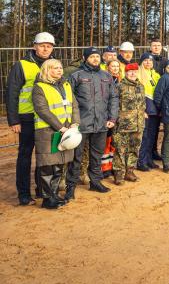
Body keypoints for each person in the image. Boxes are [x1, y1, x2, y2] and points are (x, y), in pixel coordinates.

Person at [6, 31, 55, 205]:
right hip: (26, 118)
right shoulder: (22, 65)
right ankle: (24, 194)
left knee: (44, 156)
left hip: (45, 119)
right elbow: (12, 93)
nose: (45, 49)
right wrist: (14, 120)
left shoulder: (52, 65)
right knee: (25, 155)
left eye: (49, 46)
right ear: (34, 46)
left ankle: (41, 189)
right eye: (42, 45)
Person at [64, 47, 118, 199]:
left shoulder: (106, 76)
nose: (95, 59)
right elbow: (69, 100)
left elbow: (114, 98)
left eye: (97, 56)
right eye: (92, 56)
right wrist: (73, 121)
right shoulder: (76, 76)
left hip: (101, 123)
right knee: (77, 157)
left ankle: (95, 182)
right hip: (81, 124)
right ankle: (71, 187)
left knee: (97, 155)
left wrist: (112, 118)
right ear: (85, 58)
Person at [31, 59, 80, 209]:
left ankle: (54, 194)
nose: (59, 70)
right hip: (48, 131)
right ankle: (46, 198)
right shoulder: (39, 87)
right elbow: (42, 110)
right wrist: (60, 127)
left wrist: (75, 122)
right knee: (47, 165)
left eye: (60, 68)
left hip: (66, 130)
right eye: (55, 68)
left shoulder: (65, 84)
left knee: (59, 163)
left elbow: (74, 105)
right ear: (47, 70)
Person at [113, 63, 146, 185]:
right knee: (120, 150)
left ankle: (130, 171)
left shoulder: (141, 87)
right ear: (126, 73)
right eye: (130, 71)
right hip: (122, 125)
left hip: (138, 124)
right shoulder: (119, 86)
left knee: (134, 149)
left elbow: (142, 104)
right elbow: (114, 105)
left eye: (134, 71)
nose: (132, 73)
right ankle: (119, 174)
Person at [136, 53, 161, 172]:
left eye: (150, 61)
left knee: (151, 137)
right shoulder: (138, 75)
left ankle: (149, 159)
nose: (148, 63)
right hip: (145, 111)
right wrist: (142, 110)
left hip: (154, 111)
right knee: (144, 137)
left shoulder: (156, 75)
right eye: (145, 60)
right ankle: (141, 161)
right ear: (141, 62)